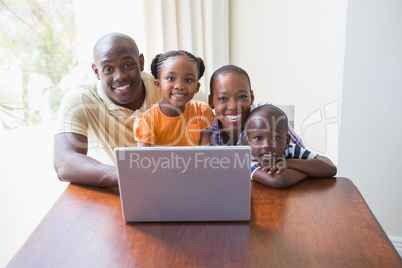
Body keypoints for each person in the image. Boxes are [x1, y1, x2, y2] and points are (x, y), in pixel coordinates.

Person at [53, 33, 163, 187]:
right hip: (114, 194)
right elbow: (63, 162)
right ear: (96, 72)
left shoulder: (170, 89)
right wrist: (132, 176)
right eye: (108, 69)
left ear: (141, 62)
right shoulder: (81, 98)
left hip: (173, 189)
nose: (119, 76)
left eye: (127, 65)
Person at [208, 64, 304, 147]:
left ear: (252, 97)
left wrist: (285, 164)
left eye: (242, 96)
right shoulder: (205, 123)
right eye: (223, 98)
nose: (233, 106)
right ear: (211, 101)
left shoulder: (268, 114)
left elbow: (305, 158)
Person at [134, 50, 214, 146]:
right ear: (158, 84)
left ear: (197, 87)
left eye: (188, 80)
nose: (179, 86)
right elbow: (145, 159)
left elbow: (206, 154)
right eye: (171, 79)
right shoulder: (146, 122)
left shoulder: (201, 111)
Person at [245, 104, 337, 188]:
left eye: (275, 138)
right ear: (248, 142)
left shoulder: (291, 150)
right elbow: (279, 180)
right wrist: (311, 171)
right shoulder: (247, 160)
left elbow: (330, 167)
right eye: (259, 138)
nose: (267, 145)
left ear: (287, 141)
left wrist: (288, 163)